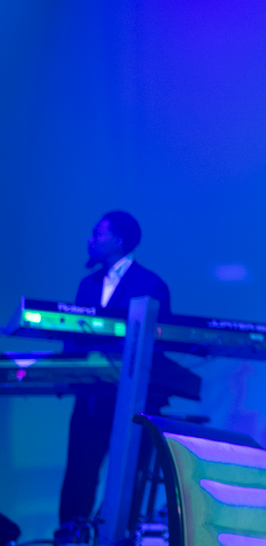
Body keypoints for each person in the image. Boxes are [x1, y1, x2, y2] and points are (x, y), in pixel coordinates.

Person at [59, 212, 171, 527]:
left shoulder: (151, 285)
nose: (90, 239)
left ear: (117, 240)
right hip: (91, 402)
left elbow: (155, 348)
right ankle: (68, 537)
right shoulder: (87, 285)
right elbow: (73, 339)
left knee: (127, 486)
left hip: (132, 407)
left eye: (97, 233)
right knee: (78, 481)